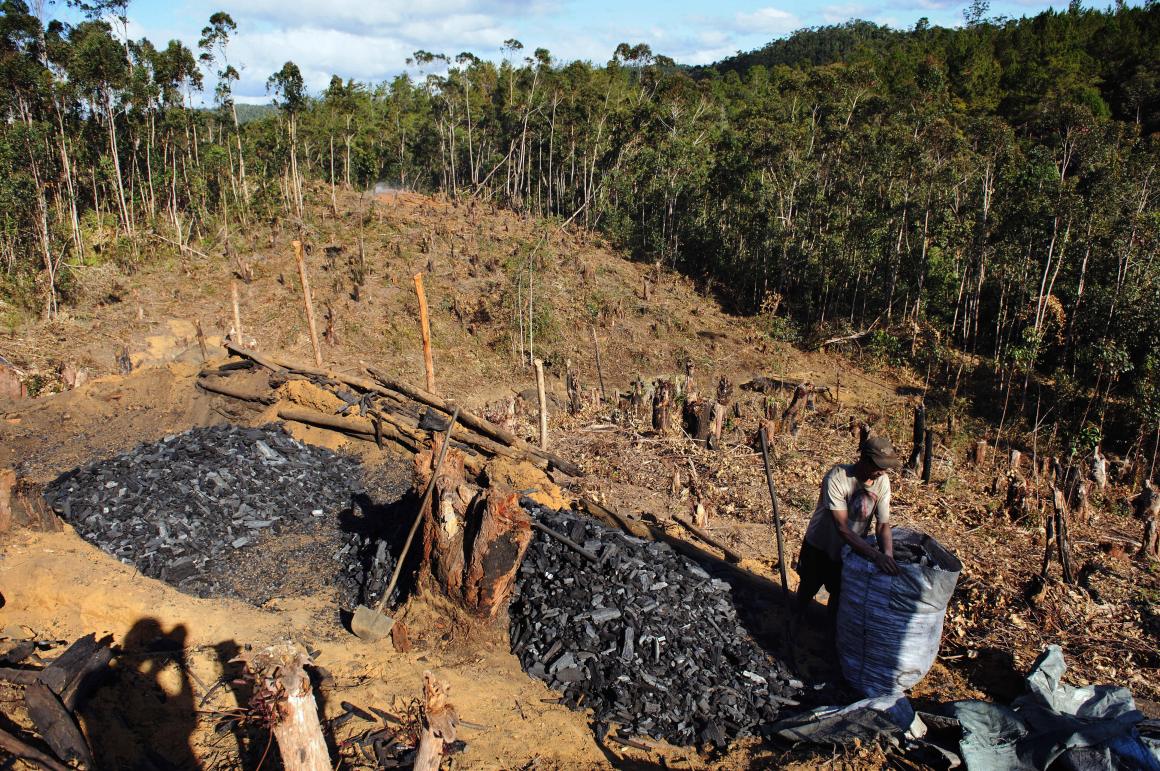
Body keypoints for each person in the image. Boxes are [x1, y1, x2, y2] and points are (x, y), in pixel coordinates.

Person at [795, 435, 902, 627]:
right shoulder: (836, 478)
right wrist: (876, 556)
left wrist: (888, 554)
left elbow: (883, 524)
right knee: (808, 588)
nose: (883, 471)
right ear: (864, 460)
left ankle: (830, 635)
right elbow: (842, 528)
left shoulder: (883, 482)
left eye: (885, 467)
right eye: (879, 466)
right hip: (820, 544)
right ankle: (794, 623)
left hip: (851, 550)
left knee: (839, 595)